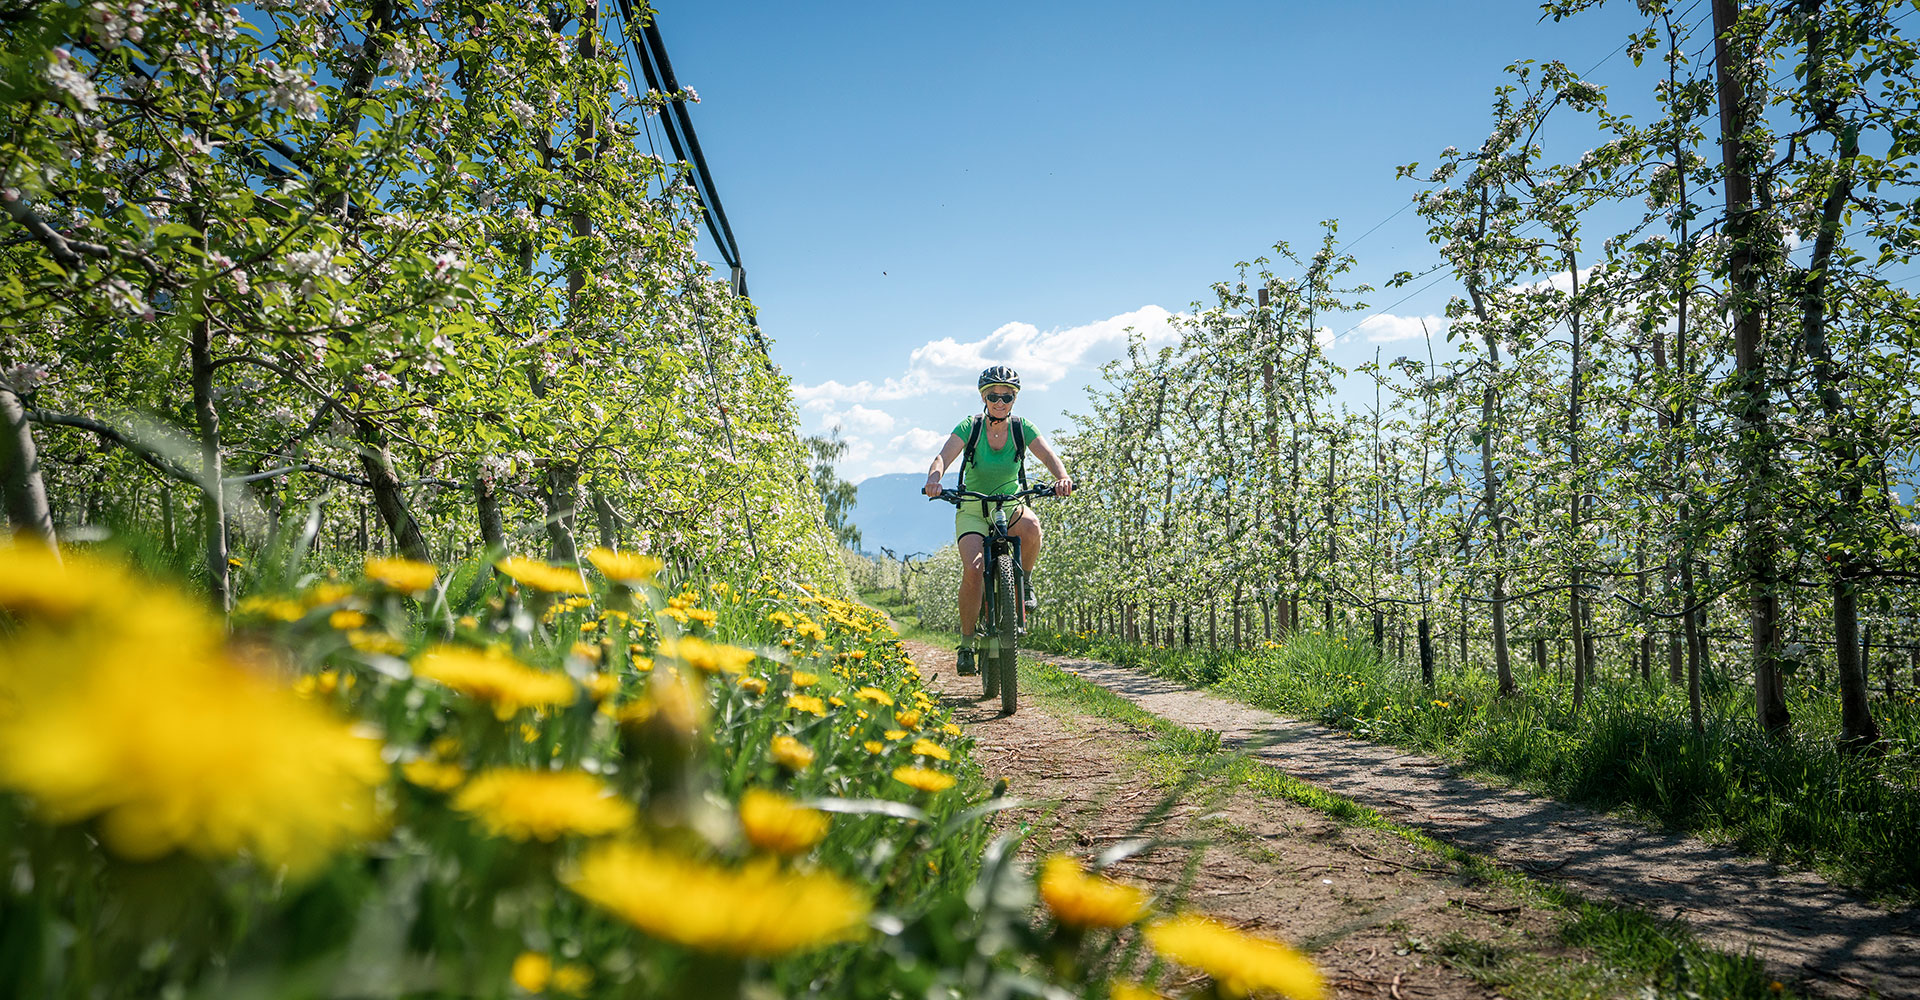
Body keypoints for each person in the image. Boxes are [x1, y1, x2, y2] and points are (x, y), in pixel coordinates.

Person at [923, 365, 1073, 675]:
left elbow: (1047, 456)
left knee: (1031, 527)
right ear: (984, 397)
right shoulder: (971, 426)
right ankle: (965, 645)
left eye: (1007, 396)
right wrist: (934, 480)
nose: (1000, 402)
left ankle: (1025, 582)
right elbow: (943, 457)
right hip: (973, 508)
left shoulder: (1022, 428)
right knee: (974, 570)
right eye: (994, 395)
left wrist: (1062, 478)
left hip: (1010, 504)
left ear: (1015, 399)